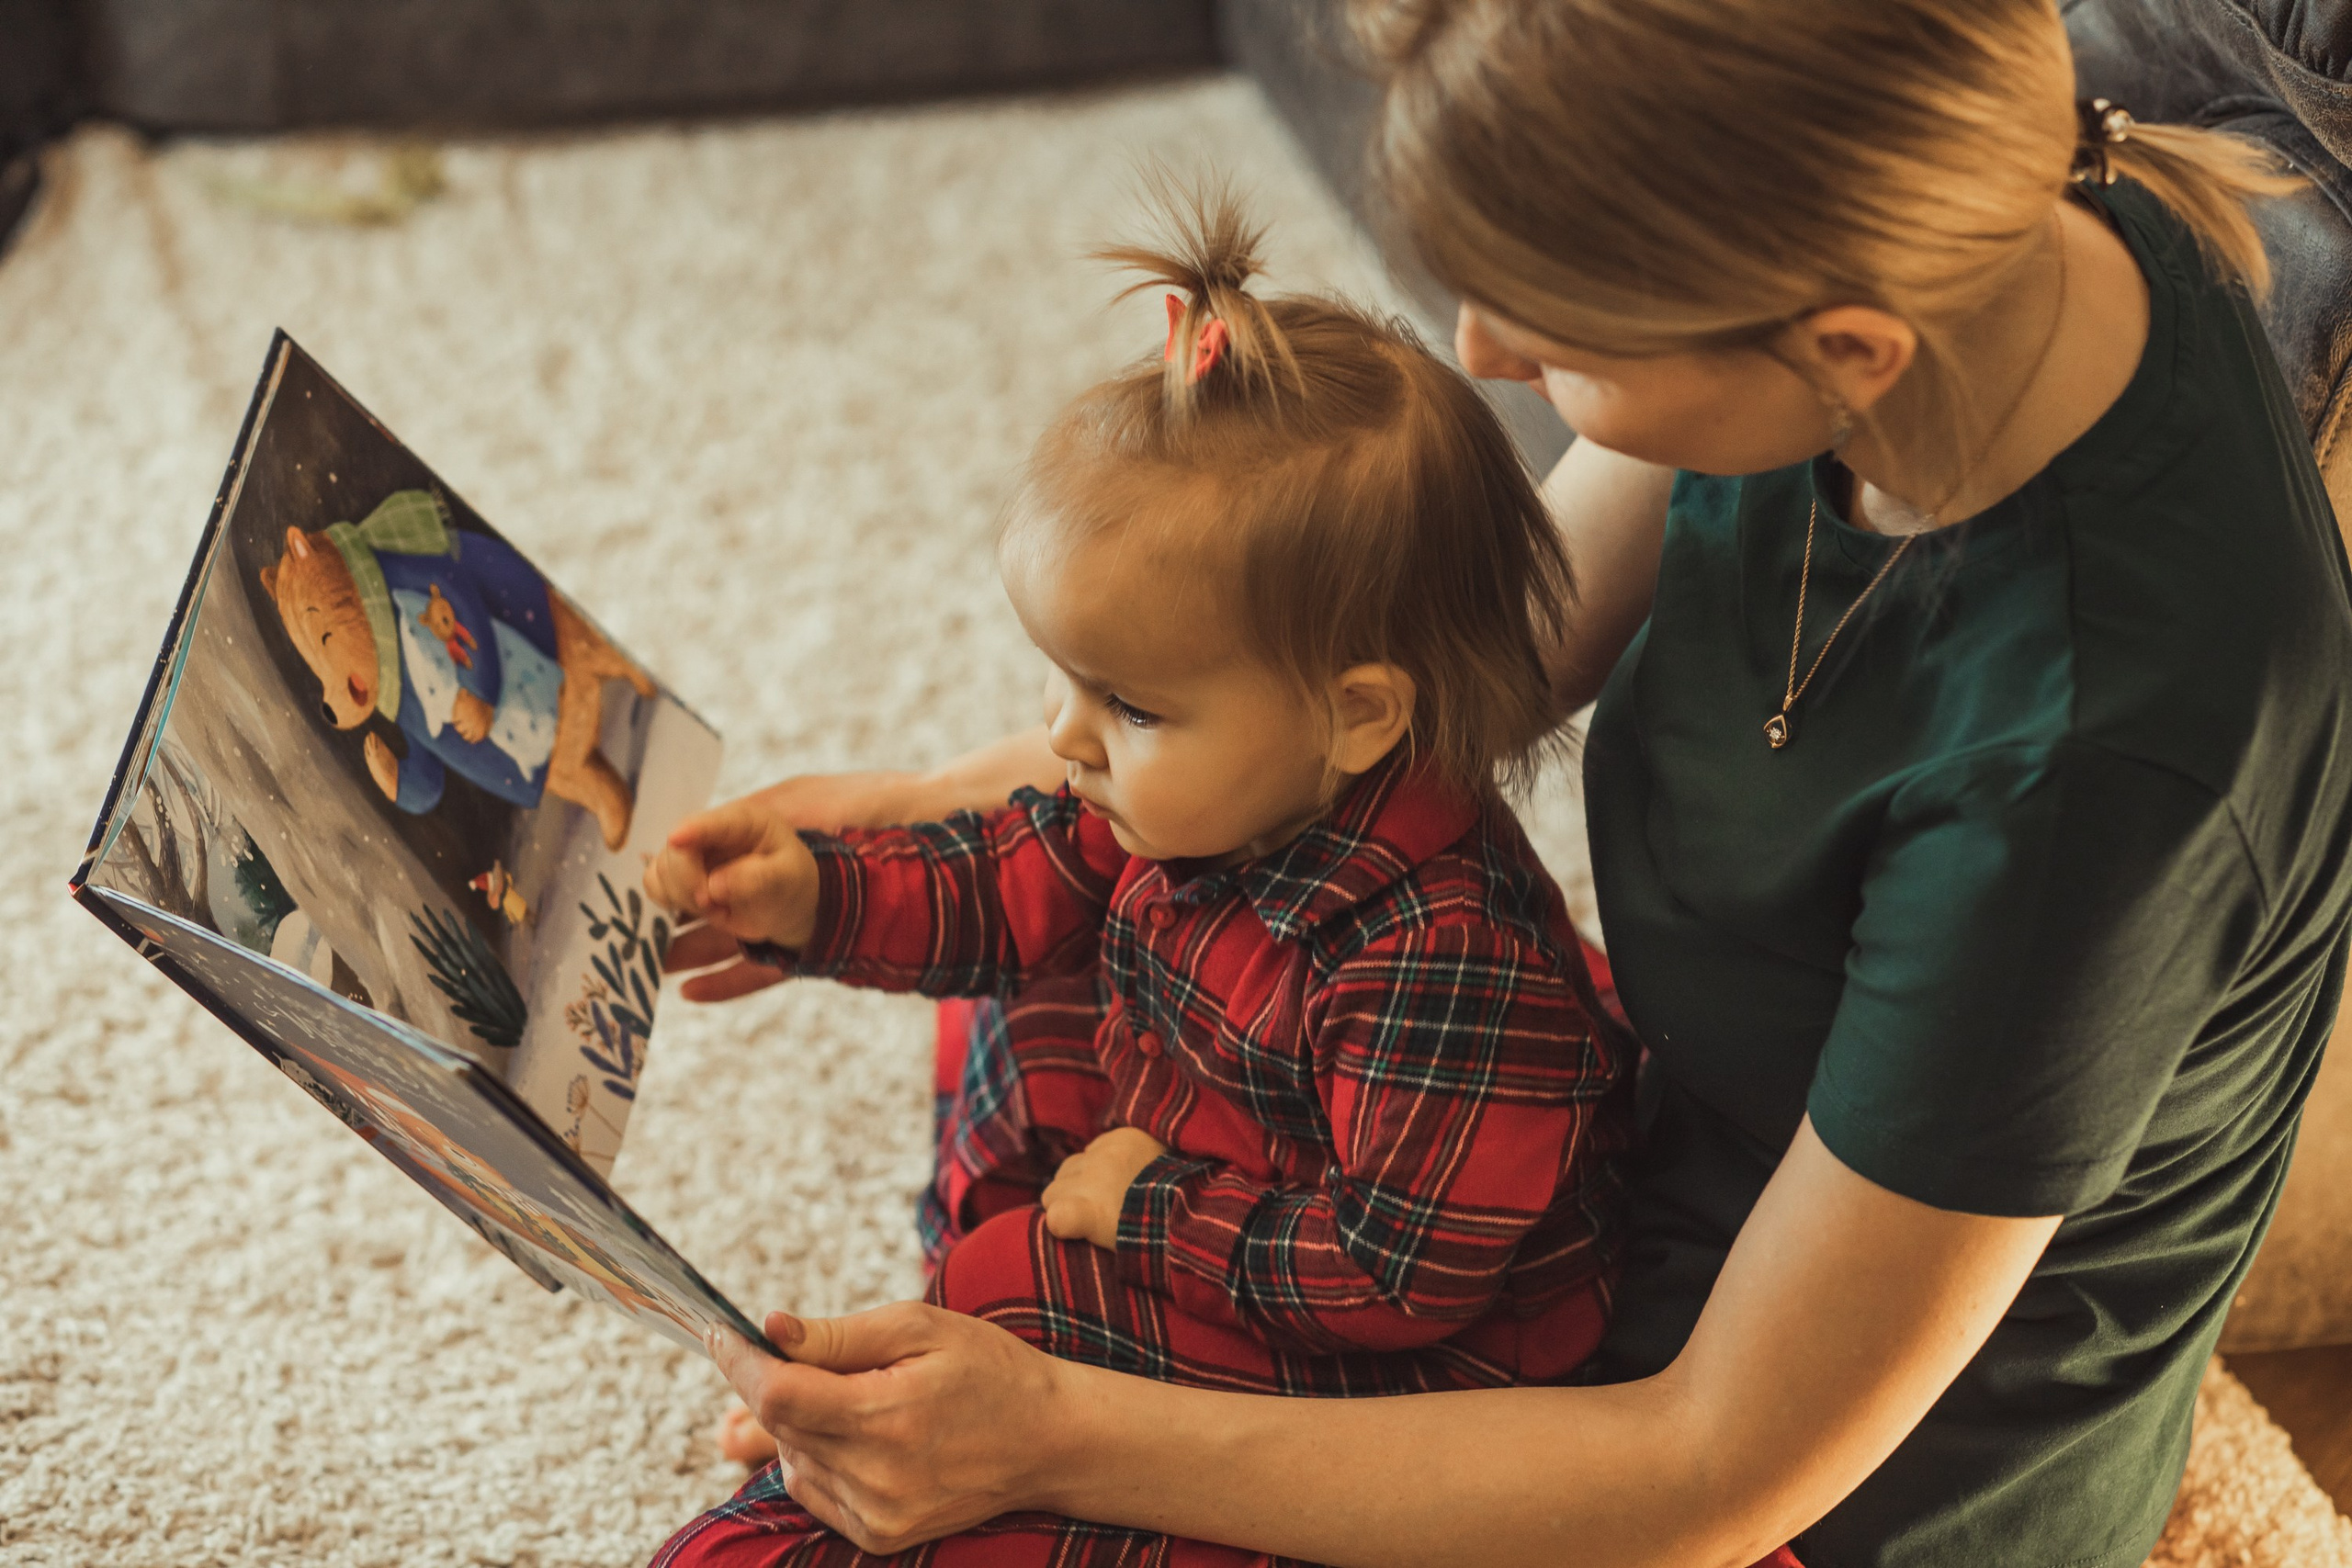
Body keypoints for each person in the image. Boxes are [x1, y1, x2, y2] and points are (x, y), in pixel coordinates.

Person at [648, 1, 2352, 1564]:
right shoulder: (1958, 239)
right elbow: (1438, 676)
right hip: (1617, 1169)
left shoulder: (2097, 771)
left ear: (1843, 349)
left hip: (1780, 1479)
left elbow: (1710, 1472)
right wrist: (948, 796)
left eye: (1565, 325)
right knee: (1095, 920)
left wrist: (1054, 1435)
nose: (1481, 348)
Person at [646, 190, 1648, 1562]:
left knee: (1007, 1288)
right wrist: (818, 899)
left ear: (1357, 715)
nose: (1064, 738)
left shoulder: (1446, 969)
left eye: (1128, 705)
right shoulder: (1218, 797)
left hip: (1424, 1361)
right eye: (1069, 683)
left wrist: (1152, 1211)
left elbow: (1392, 1275)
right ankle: (949, 1365)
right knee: (1022, 999)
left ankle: (966, 1384)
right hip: (1239, 1148)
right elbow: (1006, 878)